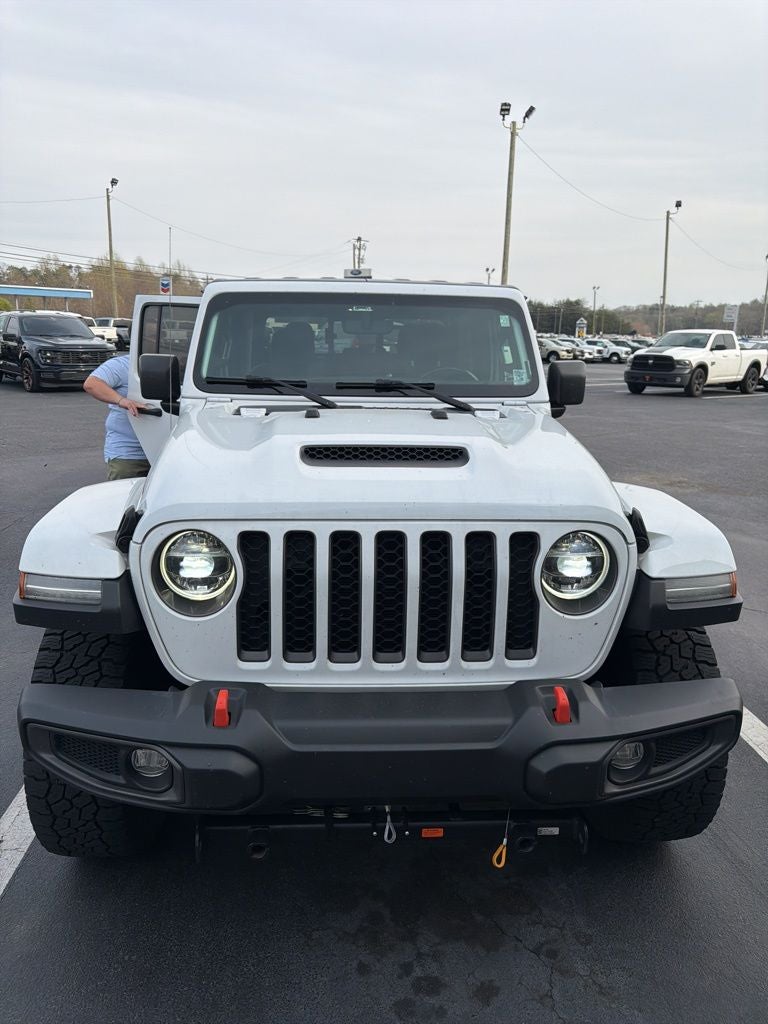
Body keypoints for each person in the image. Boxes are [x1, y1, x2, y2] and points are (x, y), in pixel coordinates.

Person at [83, 354, 151, 480]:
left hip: (165, 450)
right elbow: (92, 384)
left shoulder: (182, 364)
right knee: (125, 495)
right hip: (129, 453)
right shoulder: (123, 364)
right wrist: (121, 400)